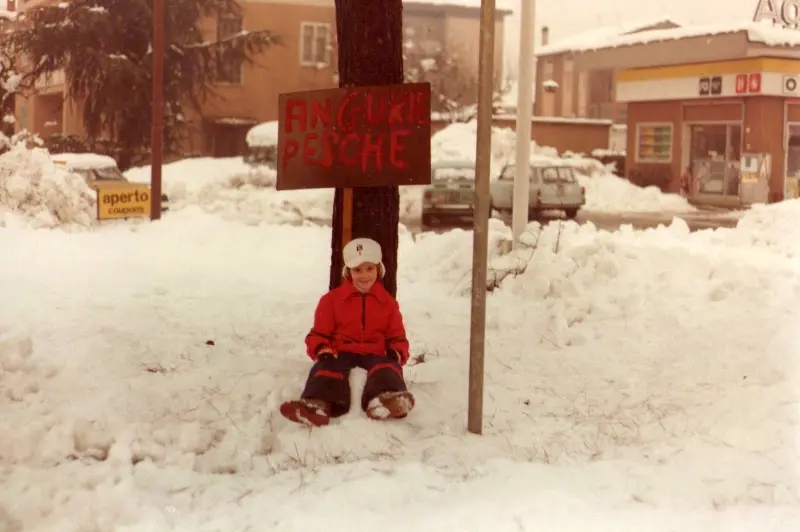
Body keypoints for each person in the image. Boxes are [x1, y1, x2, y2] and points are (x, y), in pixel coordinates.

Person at [279, 237, 415, 427]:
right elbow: (318, 334)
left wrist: (396, 353)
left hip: (374, 352)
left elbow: (397, 337)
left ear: (379, 269)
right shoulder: (331, 301)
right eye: (357, 270)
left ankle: (385, 400)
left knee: (386, 368)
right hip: (340, 350)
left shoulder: (388, 303)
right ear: (348, 272)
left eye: (369, 268)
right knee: (326, 369)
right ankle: (317, 404)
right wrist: (322, 349)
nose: (364, 275)